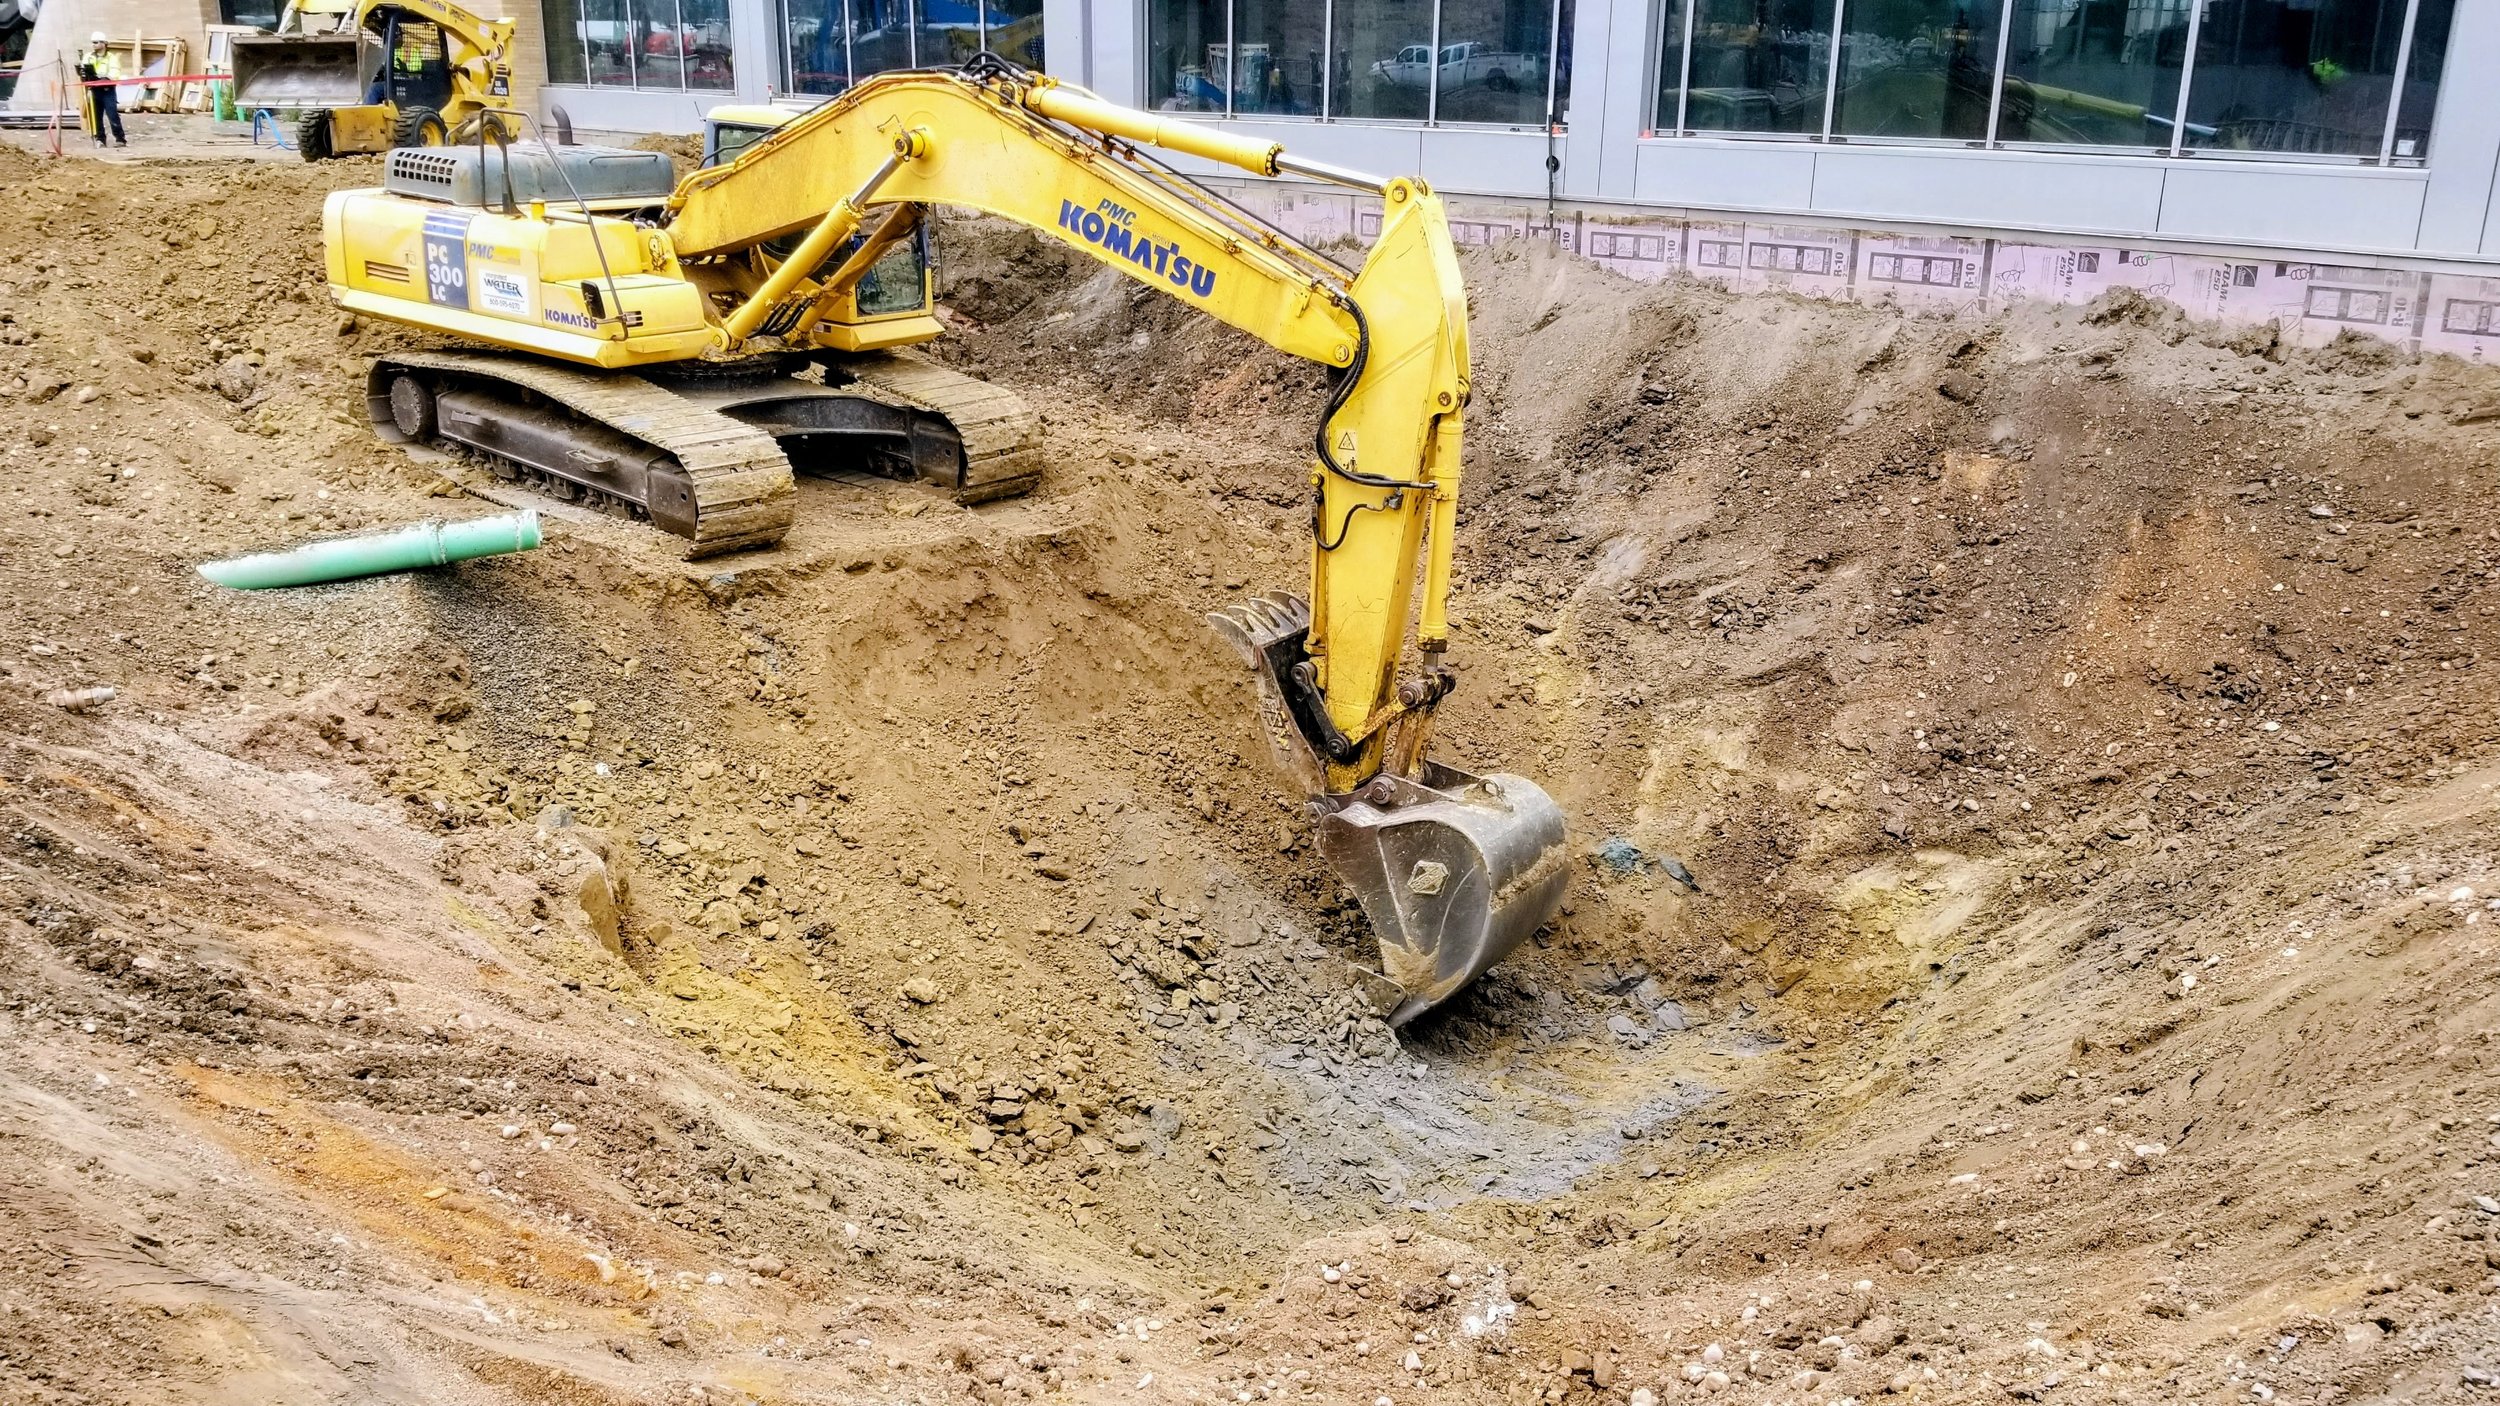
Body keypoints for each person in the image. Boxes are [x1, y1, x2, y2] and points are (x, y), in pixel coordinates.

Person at [79, 32, 127, 148]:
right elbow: (83, 69)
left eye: (96, 42)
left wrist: (106, 78)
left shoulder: (112, 58)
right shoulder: (88, 57)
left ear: (103, 43)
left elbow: (115, 72)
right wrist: (84, 75)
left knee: (112, 114)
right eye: (93, 43)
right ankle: (100, 139)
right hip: (94, 90)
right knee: (96, 116)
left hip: (107, 90)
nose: (93, 45)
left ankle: (120, 139)